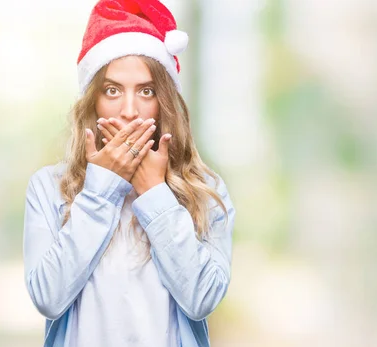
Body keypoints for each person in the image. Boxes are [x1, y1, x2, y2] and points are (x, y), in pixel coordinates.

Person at [22, 1, 236, 346]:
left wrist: (155, 195)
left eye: (147, 91)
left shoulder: (205, 189)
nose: (130, 110)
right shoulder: (49, 187)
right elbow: (48, 298)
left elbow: (202, 300)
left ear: (164, 101)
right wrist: (100, 191)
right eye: (112, 90)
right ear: (92, 102)